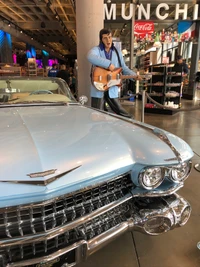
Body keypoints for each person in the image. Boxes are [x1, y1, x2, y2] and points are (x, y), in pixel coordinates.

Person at [87, 28, 142, 118]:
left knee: (121, 112)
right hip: (98, 88)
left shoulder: (117, 51)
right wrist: (108, 64)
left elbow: (123, 68)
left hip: (111, 88)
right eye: (105, 38)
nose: (108, 40)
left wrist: (134, 76)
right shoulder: (97, 50)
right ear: (101, 39)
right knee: (97, 116)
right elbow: (90, 56)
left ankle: (130, 124)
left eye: (109, 37)